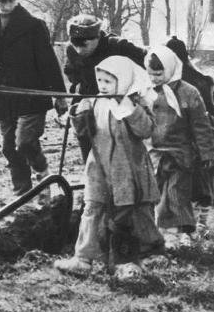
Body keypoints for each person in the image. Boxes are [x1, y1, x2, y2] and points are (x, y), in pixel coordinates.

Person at [54, 56, 164, 278]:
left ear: (123, 80)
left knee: (130, 214)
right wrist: (77, 115)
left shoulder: (136, 102)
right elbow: (83, 132)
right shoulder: (96, 102)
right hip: (99, 166)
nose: (102, 86)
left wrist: (130, 109)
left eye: (108, 81)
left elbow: (146, 130)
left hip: (128, 169)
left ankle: (134, 259)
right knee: (91, 209)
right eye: (100, 81)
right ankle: (83, 258)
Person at [0, 0, 66, 203]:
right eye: (0, 0)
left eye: (9, 0)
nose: (5, 4)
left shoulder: (34, 25)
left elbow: (48, 62)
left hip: (31, 94)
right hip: (4, 95)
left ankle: (44, 181)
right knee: (9, 148)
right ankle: (22, 195)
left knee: (25, 143)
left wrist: (59, 95)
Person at [145, 46, 214, 248]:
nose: (154, 79)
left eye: (159, 74)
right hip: (153, 153)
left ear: (170, 69)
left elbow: (201, 125)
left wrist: (206, 153)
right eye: (151, 74)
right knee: (158, 195)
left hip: (179, 155)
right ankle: (168, 231)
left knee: (175, 195)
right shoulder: (146, 92)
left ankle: (175, 235)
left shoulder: (188, 92)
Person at [165, 35, 214, 234]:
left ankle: (197, 225)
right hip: (209, 132)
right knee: (203, 180)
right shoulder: (199, 78)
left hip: (202, 134)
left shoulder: (185, 83)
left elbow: (201, 116)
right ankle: (198, 223)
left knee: (198, 179)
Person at [63, 14, 146, 162]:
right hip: (87, 103)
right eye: (76, 45)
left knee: (116, 150)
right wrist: (76, 84)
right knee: (88, 147)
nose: (79, 50)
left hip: (117, 105)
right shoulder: (71, 49)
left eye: (84, 45)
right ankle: (91, 173)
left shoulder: (118, 46)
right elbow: (70, 71)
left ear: (97, 37)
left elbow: (147, 62)